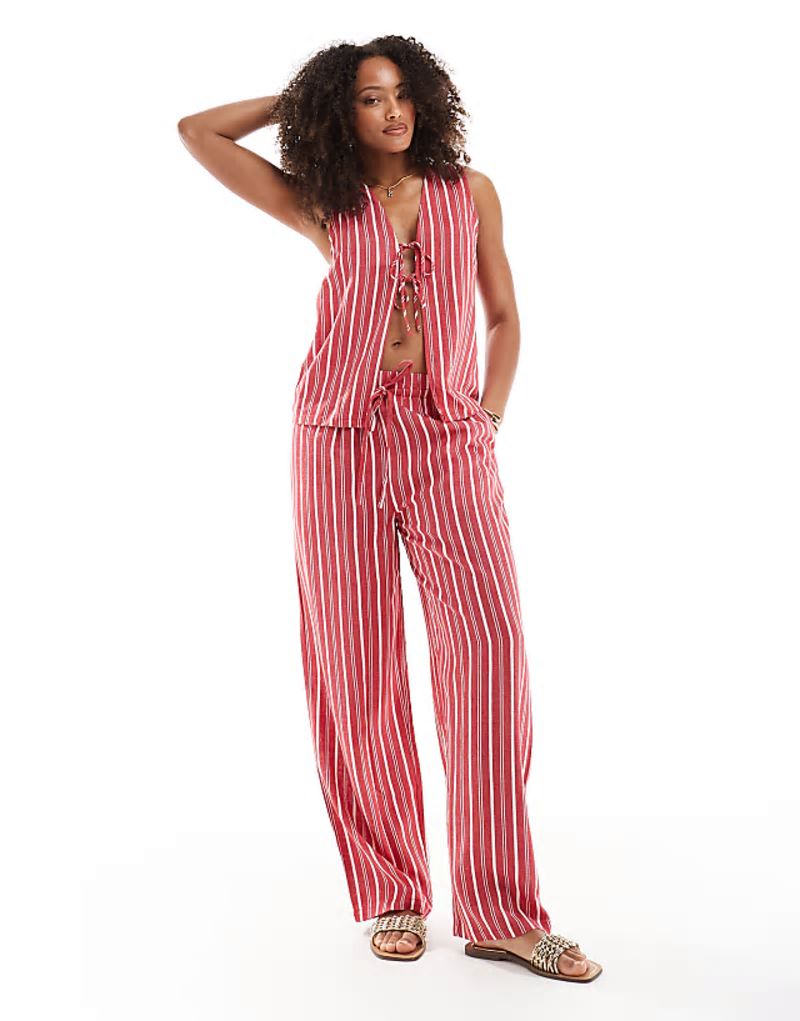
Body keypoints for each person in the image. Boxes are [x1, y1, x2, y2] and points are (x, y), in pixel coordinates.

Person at [178, 34, 602, 983]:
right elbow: (197, 131)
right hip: (340, 439)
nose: (393, 112)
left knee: (487, 655)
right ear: (344, 112)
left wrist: (488, 417)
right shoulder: (323, 202)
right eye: (368, 99)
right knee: (357, 666)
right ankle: (393, 890)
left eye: (403, 94)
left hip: (449, 438)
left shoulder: (469, 192)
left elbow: (504, 315)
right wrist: (300, 96)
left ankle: (501, 910)